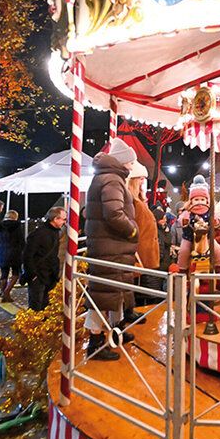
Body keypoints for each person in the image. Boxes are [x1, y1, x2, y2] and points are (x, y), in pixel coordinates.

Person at [83, 138, 139, 361]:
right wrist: (132, 231)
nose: (132, 167)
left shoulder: (105, 177)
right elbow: (114, 214)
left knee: (113, 294)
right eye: (131, 162)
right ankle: (95, 344)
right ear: (123, 161)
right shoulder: (112, 180)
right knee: (103, 296)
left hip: (109, 247)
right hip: (111, 248)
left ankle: (114, 334)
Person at [128, 161, 159, 311]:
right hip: (140, 252)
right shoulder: (133, 201)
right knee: (141, 292)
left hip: (146, 251)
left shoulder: (140, 200)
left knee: (147, 291)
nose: (143, 182)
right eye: (140, 178)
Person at [24, 207, 66, 311]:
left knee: (46, 304)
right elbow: (27, 255)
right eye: (63, 219)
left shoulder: (54, 232)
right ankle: (34, 325)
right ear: (55, 219)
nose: (65, 222)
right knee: (36, 306)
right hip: (39, 275)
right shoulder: (39, 234)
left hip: (49, 275)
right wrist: (33, 275)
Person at [0, 210, 25, 303]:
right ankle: (7, 292)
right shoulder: (17, 227)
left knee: (4, 274)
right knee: (16, 273)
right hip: (15, 253)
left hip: (2, 252)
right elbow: (21, 241)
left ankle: (4, 294)